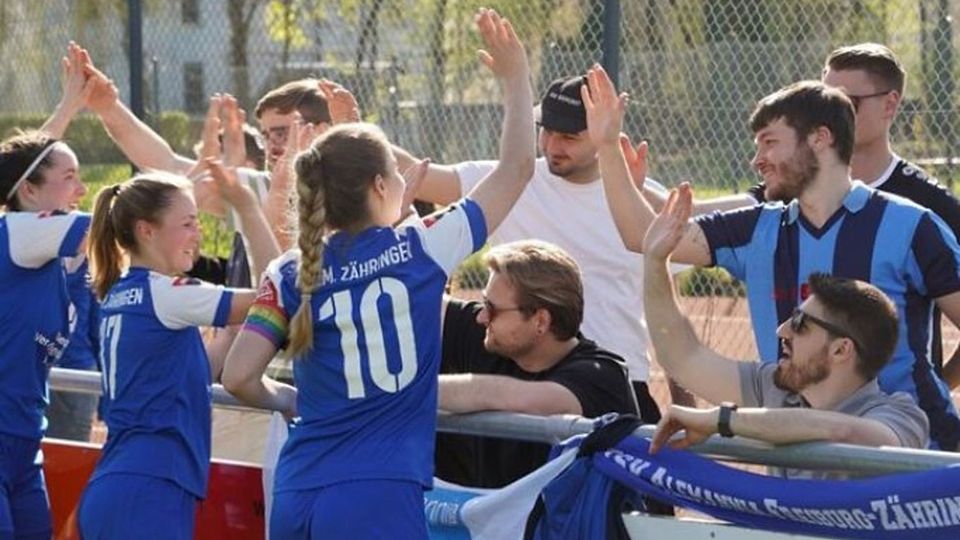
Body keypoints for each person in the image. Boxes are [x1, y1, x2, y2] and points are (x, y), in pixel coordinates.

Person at [221, 8, 535, 538]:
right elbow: (517, 169)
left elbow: (237, 377)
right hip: (377, 496)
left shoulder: (291, 268)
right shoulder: (422, 247)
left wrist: (292, 401)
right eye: (395, 170)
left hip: (296, 490)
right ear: (380, 186)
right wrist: (517, 79)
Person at [586, 66, 960, 451]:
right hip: (795, 452)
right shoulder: (758, 228)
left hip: (913, 458)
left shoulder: (911, 226)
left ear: (820, 139)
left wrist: (938, 385)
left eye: (769, 143)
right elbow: (645, 238)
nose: (757, 160)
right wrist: (608, 148)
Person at [390, 73, 683, 426]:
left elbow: (667, 307)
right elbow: (420, 173)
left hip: (607, 384)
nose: (553, 145)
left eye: (569, 137)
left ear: (601, 133)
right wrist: (352, 131)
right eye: (547, 131)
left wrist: (685, 401)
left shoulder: (639, 200)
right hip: (519, 371)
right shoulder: (511, 179)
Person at [642, 186, 928, 479]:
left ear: (841, 349)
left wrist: (722, 419)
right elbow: (683, 357)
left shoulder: (901, 415)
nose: (782, 331)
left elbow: (844, 431)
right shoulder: (777, 388)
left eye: (800, 323)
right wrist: (655, 262)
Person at [77, 165, 279, 539]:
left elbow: (190, 375)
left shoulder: (123, 293)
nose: (197, 233)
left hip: (125, 484)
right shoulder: (165, 292)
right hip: (149, 488)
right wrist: (248, 209)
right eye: (187, 223)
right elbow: (275, 297)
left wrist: (230, 336)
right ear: (146, 230)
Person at [435, 240, 637, 488]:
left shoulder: (602, 375)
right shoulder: (495, 337)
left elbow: (510, 397)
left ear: (541, 321)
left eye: (491, 308)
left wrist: (413, 393)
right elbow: (414, 305)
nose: (481, 317)